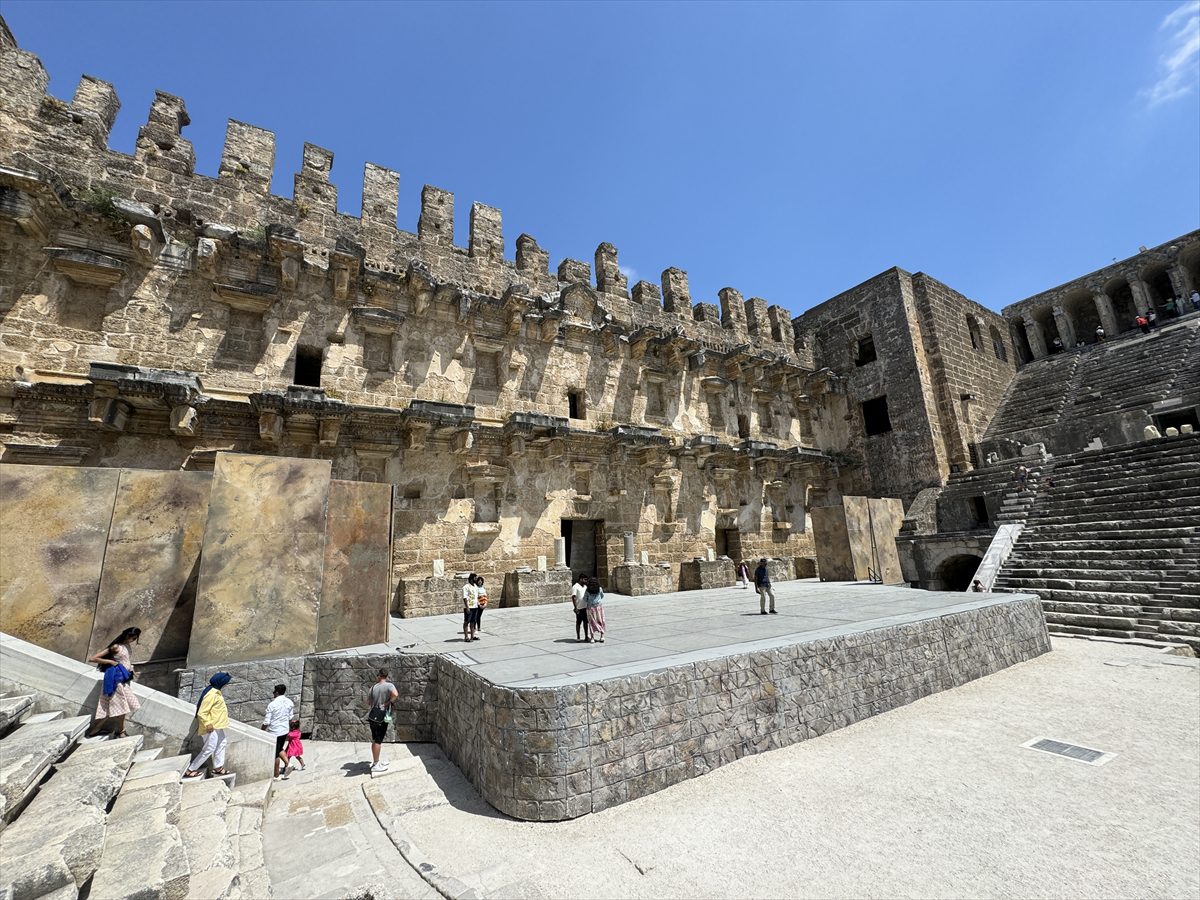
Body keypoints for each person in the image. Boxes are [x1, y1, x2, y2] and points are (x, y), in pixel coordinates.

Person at [84, 627, 141, 740]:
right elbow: (93, 658)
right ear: (127, 635)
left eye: (135, 638)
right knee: (120, 705)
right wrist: (110, 662)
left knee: (120, 705)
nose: (133, 640)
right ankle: (120, 731)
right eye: (133, 637)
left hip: (124, 679)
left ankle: (97, 730)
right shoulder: (116, 647)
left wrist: (132, 671)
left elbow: (127, 661)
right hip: (116, 680)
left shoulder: (127, 646)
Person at [185, 672, 232, 779]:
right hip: (211, 727)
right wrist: (207, 724)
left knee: (222, 743)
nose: (227, 685)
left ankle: (218, 767)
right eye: (226, 683)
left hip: (217, 725)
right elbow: (202, 712)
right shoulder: (211, 694)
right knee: (209, 748)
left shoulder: (215, 691)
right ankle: (190, 769)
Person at [366, 669, 398, 773]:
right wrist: (388, 702)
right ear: (386, 676)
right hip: (382, 716)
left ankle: (376, 761)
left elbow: (368, 702)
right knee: (378, 740)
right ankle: (375, 764)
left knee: (375, 739)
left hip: (373, 716)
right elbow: (395, 694)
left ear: (379, 676)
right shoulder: (389, 686)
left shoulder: (373, 687)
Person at [261, 683, 293, 780]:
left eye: (274, 691)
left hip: (275, 731)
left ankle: (276, 775)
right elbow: (290, 718)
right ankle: (288, 763)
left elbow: (267, 721)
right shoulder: (289, 702)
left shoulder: (272, 704)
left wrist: (262, 730)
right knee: (279, 748)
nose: (273, 693)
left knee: (275, 753)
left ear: (277, 692)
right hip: (284, 729)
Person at [584, 577, 606, 642]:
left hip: (590, 608)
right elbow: (602, 596)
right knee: (601, 620)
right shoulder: (599, 589)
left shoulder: (587, 590)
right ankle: (602, 636)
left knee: (591, 622)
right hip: (599, 607)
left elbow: (585, 599)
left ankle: (592, 638)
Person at [571, 574, 590, 642]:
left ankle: (586, 636)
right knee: (578, 622)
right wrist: (575, 607)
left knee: (586, 622)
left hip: (585, 607)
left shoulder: (585, 586)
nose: (586, 581)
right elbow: (573, 597)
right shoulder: (575, 587)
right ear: (581, 579)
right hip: (579, 608)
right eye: (585, 579)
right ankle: (578, 636)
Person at [462, 574, 479, 642]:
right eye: (475, 578)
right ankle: (466, 637)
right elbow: (465, 597)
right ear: (472, 579)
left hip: (475, 606)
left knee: (473, 622)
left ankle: (472, 636)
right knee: (467, 621)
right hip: (469, 606)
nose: (476, 579)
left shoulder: (475, 586)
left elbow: (476, 596)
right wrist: (467, 607)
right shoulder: (466, 587)